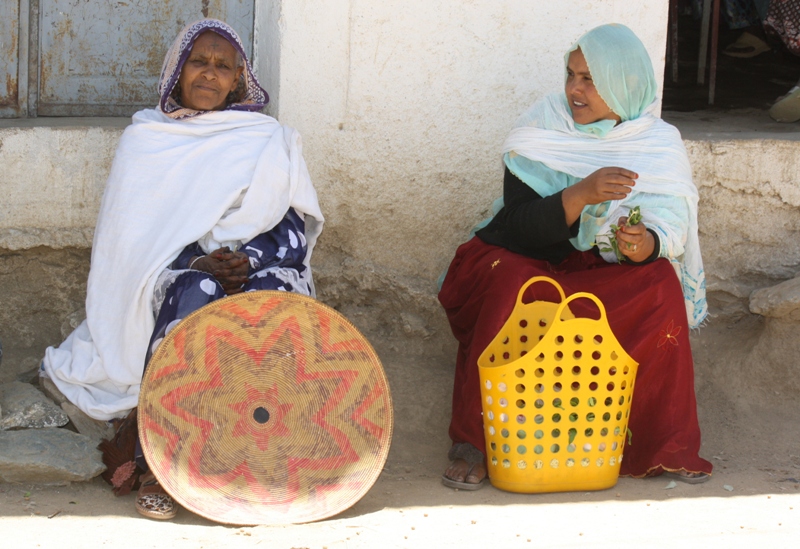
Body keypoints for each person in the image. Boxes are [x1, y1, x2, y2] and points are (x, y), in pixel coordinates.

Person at [41, 19, 324, 519]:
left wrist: (248, 259)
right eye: (200, 62)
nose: (210, 75)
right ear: (178, 70)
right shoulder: (148, 139)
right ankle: (165, 460)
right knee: (194, 291)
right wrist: (202, 260)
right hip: (179, 269)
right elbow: (135, 244)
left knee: (277, 290)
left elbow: (293, 228)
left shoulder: (267, 138)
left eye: (223, 66)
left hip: (262, 262)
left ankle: (279, 453)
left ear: (239, 79)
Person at [439, 23, 712, 491]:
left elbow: (670, 226)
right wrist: (579, 195)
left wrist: (642, 244)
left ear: (625, 85)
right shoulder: (542, 128)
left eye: (590, 79)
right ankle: (477, 441)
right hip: (526, 256)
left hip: (597, 270)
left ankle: (657, 444)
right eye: (571, 75)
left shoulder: (657, 143)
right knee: (513, 285)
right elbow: (516, 227)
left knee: (660, 283)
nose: (573, 89)